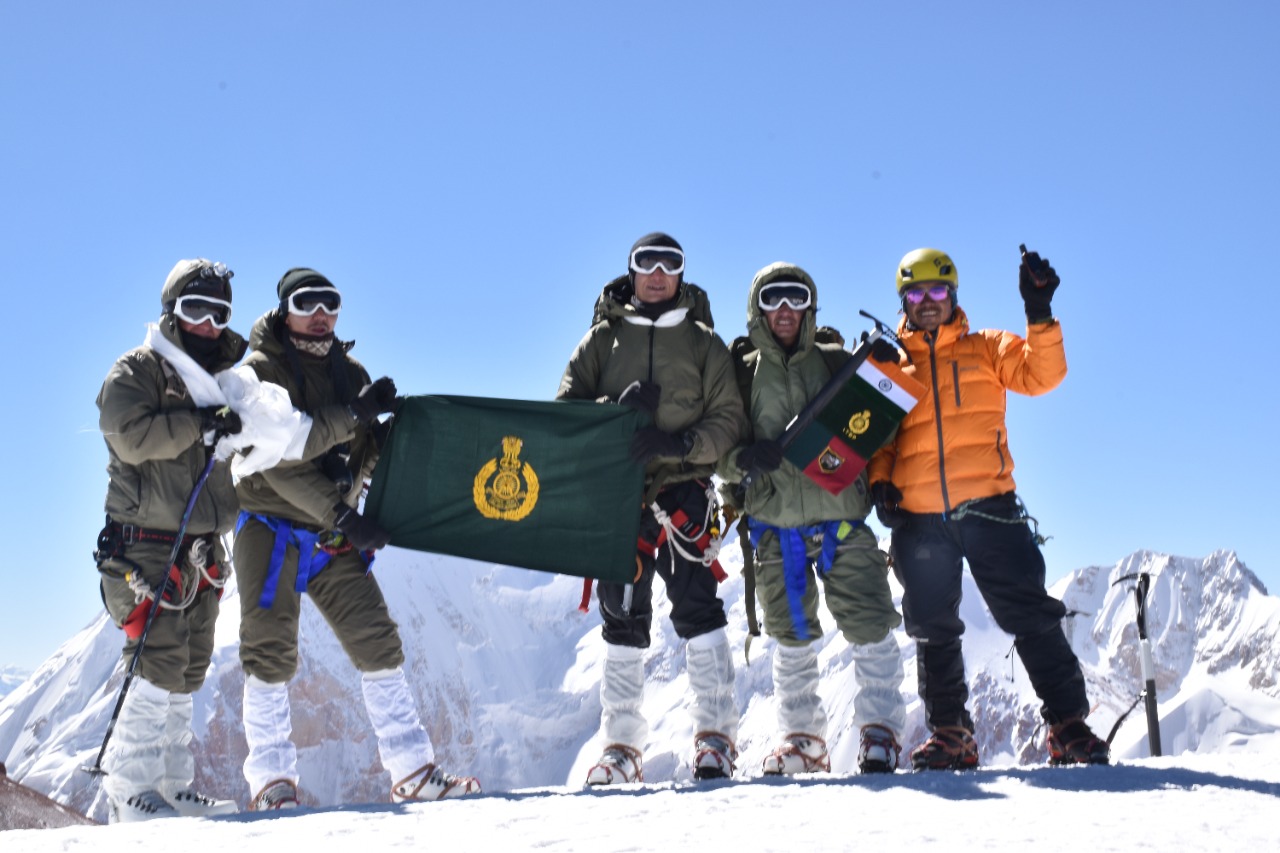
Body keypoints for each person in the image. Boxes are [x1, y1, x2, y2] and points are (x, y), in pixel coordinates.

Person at [234, 268, 481, 809]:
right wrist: (342, 511)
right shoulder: (259, 376)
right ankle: (272, 782)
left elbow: (357, 451)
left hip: (328, 533)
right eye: (307, 302)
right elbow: (275, 462)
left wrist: (385, 442)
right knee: (269, 652)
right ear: (284, 309)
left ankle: (412, 770)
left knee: (377, 641)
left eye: (332, 303)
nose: (321, 313)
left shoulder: (351, 372)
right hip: (272, 527)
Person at [866, 247, 1110, 770]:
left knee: (1029, 614)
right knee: (933, 626)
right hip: (921, 518)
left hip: (990, 508)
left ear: (953, 295)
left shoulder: (988, 347)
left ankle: (1068, 726)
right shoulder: (894, 366)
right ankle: (952, 734)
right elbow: (880, 439)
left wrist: (1040, 315)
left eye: (938, 291)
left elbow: (1042, 376)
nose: (928, 302)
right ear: (903, 301)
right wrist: (881, 481)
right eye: (916, 293)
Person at [557, 232, 748, 784]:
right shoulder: (601, 341)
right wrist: (611, 410)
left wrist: (680, 446)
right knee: (619, 615)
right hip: (620, 492)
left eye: (670, 264)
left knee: (698, 608)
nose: (658, 272)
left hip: (685, 489)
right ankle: (621, 746)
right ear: (632, 271)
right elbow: (566, 411)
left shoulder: (705, 344)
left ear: (682, 274)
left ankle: (715, 736)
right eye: (648, 262)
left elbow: (728, 419)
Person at [717, 262, 908, 775]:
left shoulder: (837, 363)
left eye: (795, 298)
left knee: (868, 624)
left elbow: (882, 427)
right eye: (773, 299)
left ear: (810, 305)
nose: (784, 309)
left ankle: (881, 731)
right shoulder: (740, 373)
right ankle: (804, 740)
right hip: (777, 525)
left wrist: (885, 375)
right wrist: (741, 461)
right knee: (791, 635)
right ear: (758, 307)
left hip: (841, 519)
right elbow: (719, 441)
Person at [95, 259, 246, 822]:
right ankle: (131, 788)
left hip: (202, 546)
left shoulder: (233, 379)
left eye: (219, 313)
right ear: (171, 312)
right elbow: (129, 435)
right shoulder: (138, 370)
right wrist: (201, 425)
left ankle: (174, 786)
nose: (207, 324)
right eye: (195, 309)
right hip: (147, 542)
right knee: (156, 658)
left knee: (188, 666)